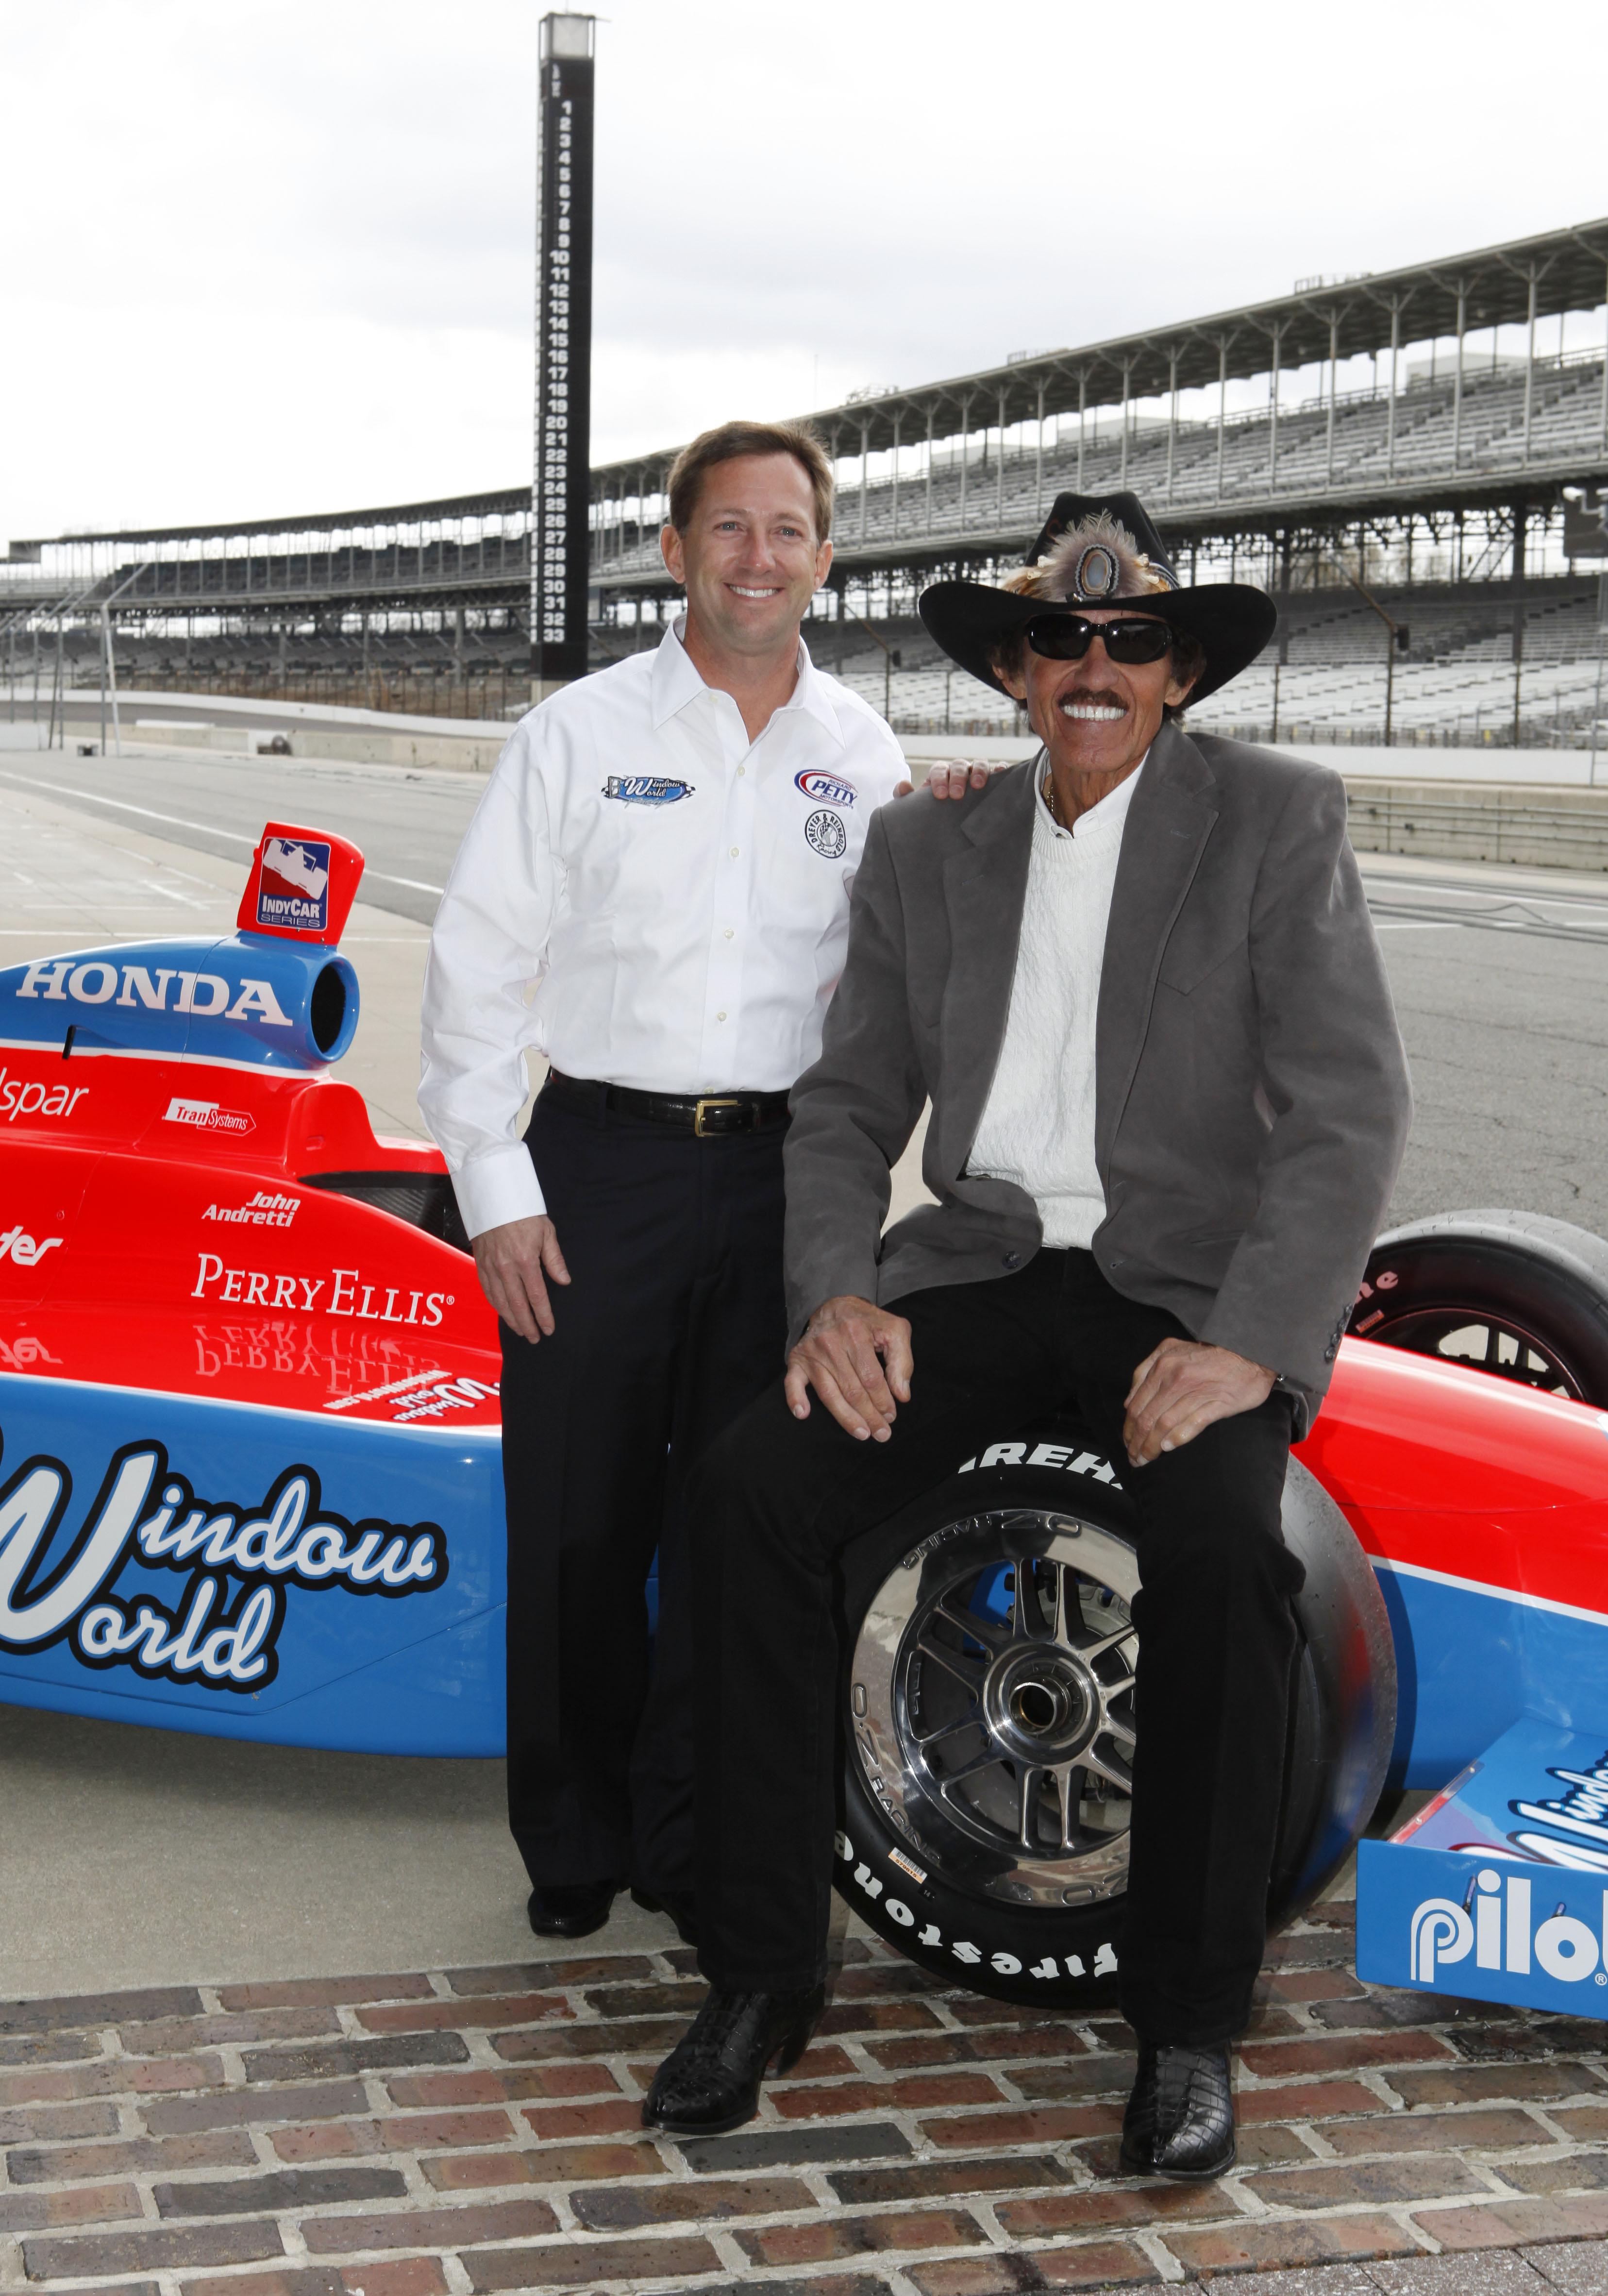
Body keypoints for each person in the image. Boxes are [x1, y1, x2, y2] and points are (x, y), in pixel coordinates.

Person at [644, 490, 1412, 2175]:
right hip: (983, 1271)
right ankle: (765, 1972)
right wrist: (835, 1293)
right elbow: (846, 1106)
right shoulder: (933, 843)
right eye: (1062, 636)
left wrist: (1261, 1348)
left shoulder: (1280, 819)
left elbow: (1348, 1112)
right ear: (1015, 667)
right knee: (752, 1493)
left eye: (1134, 639)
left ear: (1179, 674)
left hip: (1186, 1296)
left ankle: (1193, 2026)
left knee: (1220, 1548)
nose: (1095, 664)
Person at [419, 418, 979, 1945]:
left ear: (823, 556)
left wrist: (973, 816)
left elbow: (905, 965)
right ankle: (574, 1839)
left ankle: (687, 1834)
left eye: (787, 531)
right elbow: (475, 967)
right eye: (728, 530)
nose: (758, 558)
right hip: (596, 1166)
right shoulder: (580, 734)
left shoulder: (860, 756)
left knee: (737, 1523)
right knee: (581, 1524)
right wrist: (498, 1188)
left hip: (788, 1180)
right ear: (675, 551)